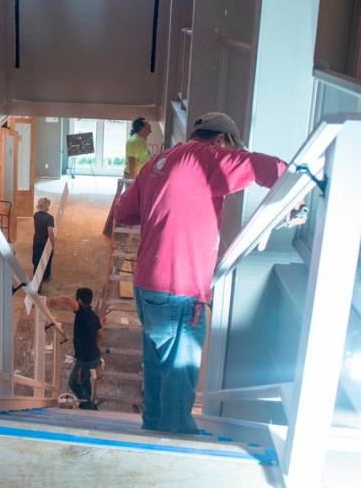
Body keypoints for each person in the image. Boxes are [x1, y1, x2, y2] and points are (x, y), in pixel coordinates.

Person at [115, 112, 293, 434]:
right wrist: (300, 187)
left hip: (148, 285)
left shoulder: (163, 159)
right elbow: (268, 168)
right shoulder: (205, 157)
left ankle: (153, 430)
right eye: (230, 148)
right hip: (178, 288)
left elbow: (124, 212)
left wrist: (170, 211)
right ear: (222, 140)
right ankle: (174, 442)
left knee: (158, 367)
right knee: (179, 375)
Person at [49, 287, 104, 410]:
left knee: (74, 383)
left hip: (84, 359)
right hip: (95, 356)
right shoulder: (94, 316)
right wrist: (97, 348)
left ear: (79, 300)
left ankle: (89, 407)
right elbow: (101, 335)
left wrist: (53, 301)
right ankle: (87, 400)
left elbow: (68, 301)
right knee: (84, 379)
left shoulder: (82, 312)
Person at [32, 197, 56, 285]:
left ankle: (36, 277)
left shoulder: (35, 215)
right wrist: (53, 245)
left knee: (36, 259)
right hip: (45, 243)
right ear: (47, 207)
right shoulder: (50, 218)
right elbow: (50, 232)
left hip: (36, 241)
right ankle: (46, 277)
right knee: (47, 259)